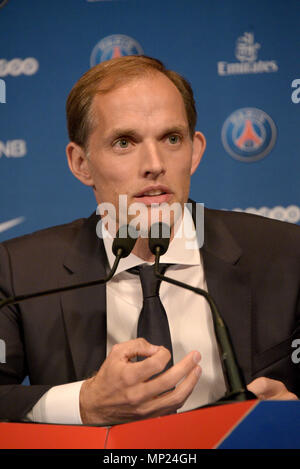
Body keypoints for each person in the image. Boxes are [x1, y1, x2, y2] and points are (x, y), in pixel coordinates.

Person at [0, 56, 299, 425]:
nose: (154, 163)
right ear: (81, 163)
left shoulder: (285, 253)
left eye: (172, 138)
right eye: (124, 142)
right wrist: (83, 403)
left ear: (195, 151)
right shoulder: (20, 272)